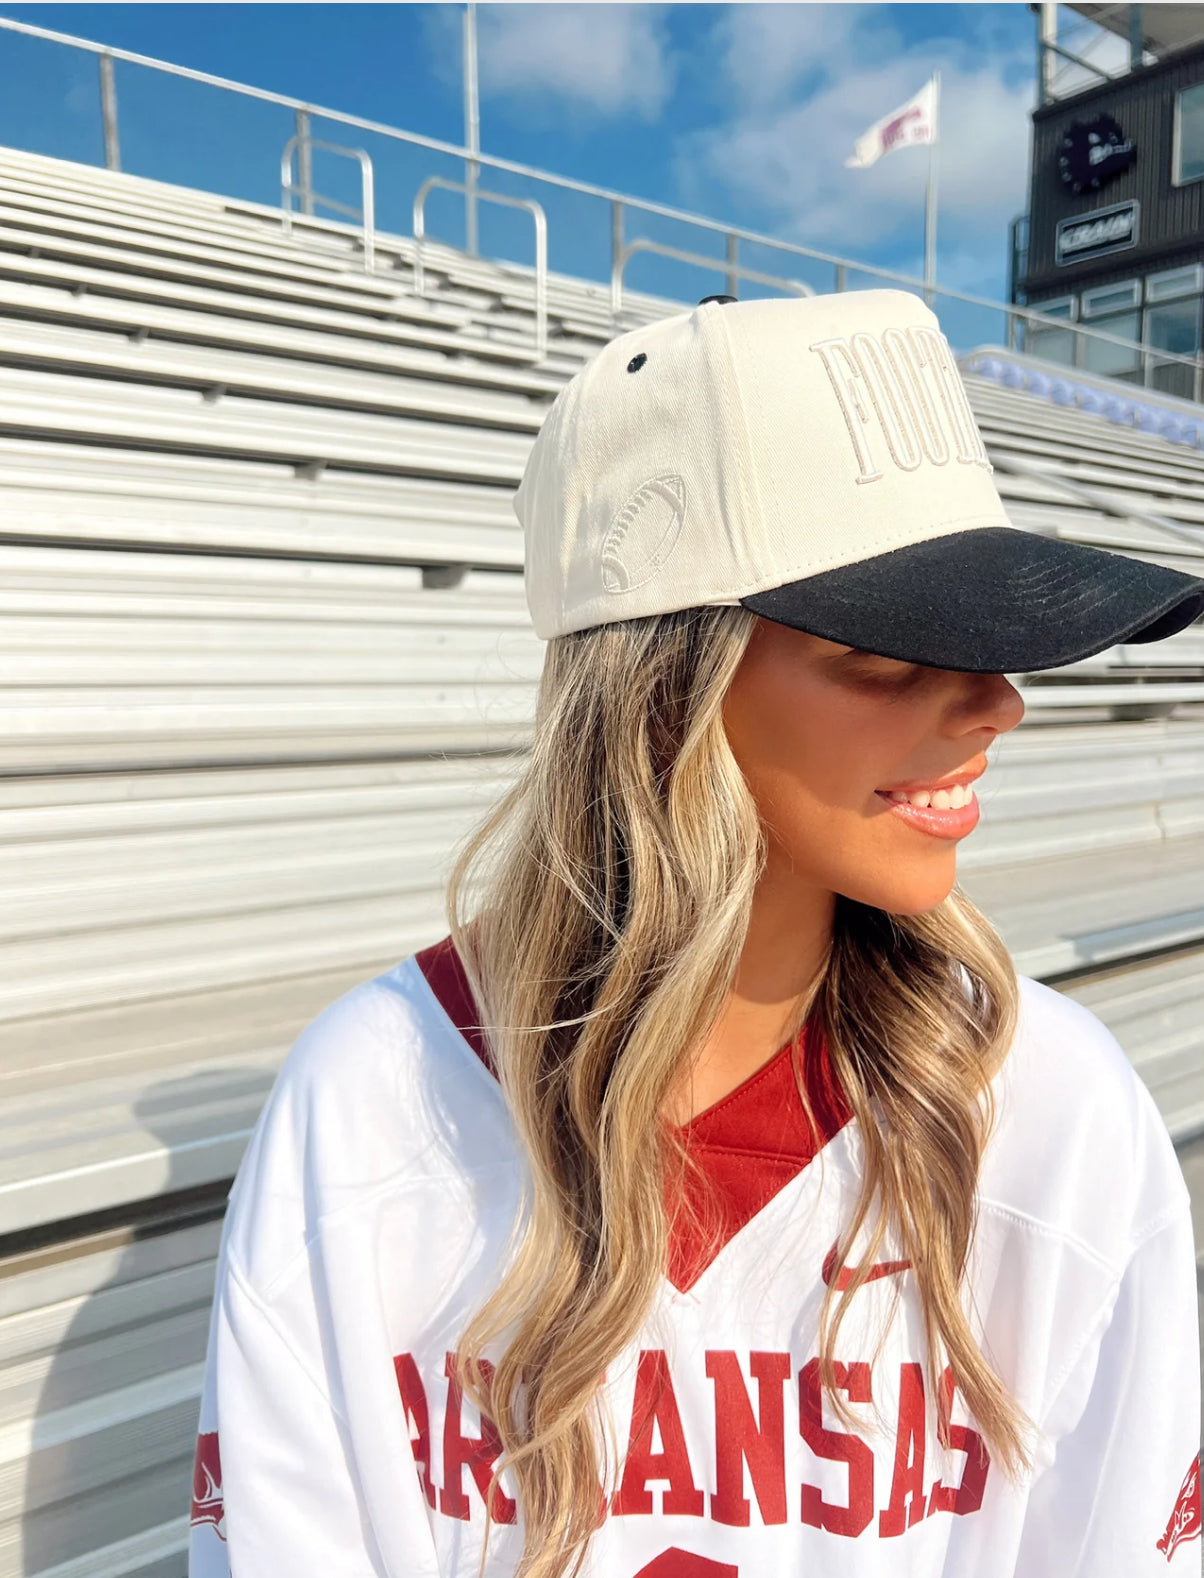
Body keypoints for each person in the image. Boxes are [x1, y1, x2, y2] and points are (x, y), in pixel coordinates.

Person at [188, 289, 1204, 1578]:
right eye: (894, 651)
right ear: (665, 689)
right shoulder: (374, 1107)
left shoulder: (1049, 1110)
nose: (998, 703)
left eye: (994, 644)